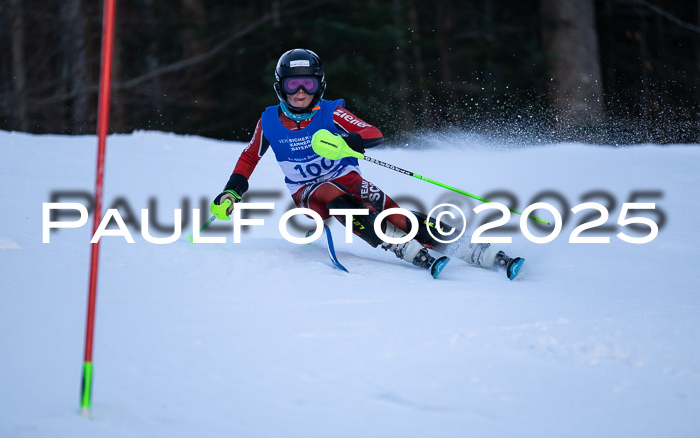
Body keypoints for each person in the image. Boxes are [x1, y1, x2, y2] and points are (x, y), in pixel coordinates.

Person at [211, 48, 524, 280]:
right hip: (308, 192)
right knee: (333, 196)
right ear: (281, 87)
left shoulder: (330, 112)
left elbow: (372, 133)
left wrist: (346, 143)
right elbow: (250, 157)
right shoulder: (268, 121)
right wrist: (231, 192)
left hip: (346, 176)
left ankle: (473, 250)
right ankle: (401, 247)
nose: (301, 92)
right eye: (293, 85)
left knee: (394, 213)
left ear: (318, 84)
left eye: (307, 83)